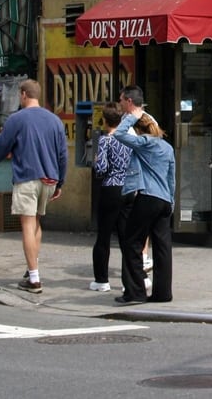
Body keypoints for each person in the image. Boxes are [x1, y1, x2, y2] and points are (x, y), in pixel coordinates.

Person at [0, 79, 68, 294]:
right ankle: (32, 268)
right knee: (36, 222)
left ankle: (34, 277)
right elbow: (62, 153)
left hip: (27, 177)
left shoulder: (17, 119)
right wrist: (60, 181)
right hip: (49, 179)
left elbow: (1, 146)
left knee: (28, 225)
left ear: (23, 94)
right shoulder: (55, 120)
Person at [113, 86, 176, 304]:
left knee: (131, 242)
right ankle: (163, 293)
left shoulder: (145, 143)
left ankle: (135, 292)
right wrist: (171, 201)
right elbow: (171, 178)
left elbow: (119, 134)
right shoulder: (167, 147)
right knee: (162, 247)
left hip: (148, 196)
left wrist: (133, 116)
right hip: (164, 200)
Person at [90, 102, 133, 292]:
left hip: (111, 188)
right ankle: (129, 281)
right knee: (127, 237)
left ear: (105, 120)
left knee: (104, 236)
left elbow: (101, 169)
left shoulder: (105, 140)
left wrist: (97, 161)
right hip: (129, 188)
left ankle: (101, 280)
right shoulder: (129, 139)